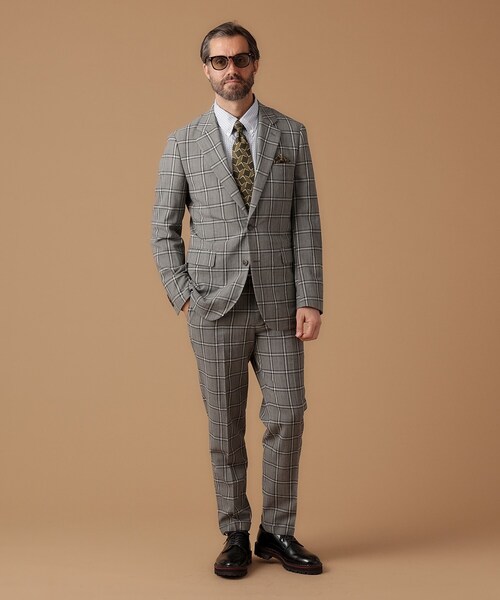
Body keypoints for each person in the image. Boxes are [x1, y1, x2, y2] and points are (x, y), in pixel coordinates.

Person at [151, 21, 324, 578]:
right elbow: (163, 229)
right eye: (221, 61)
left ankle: (277, 531)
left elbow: (306, 222)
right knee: (225, 428)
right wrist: (183, 294)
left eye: (241, 59)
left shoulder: (290, 134)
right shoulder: (182, 142)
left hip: (280, 305)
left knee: (288, 414)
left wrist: (311, 297)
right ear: (206, 69)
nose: (232, 70)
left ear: (255, 63)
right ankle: (234, 533)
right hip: (213, 305)